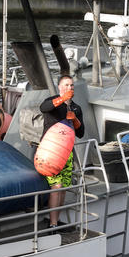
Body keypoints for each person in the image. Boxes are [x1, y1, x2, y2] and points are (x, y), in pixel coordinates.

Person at [39, 75, 85, 229]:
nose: (69, 88)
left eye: (71, 86)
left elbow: (81, 133)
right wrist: (63, 98)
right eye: (66, 85)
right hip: (50, 152)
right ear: (59, 87)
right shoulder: (52, 101)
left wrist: (75, 121)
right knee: (56, 186)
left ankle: (56, 221)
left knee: (64, 188)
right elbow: (43, 108)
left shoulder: (76, 108)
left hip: (67, 153)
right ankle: (52, 225)